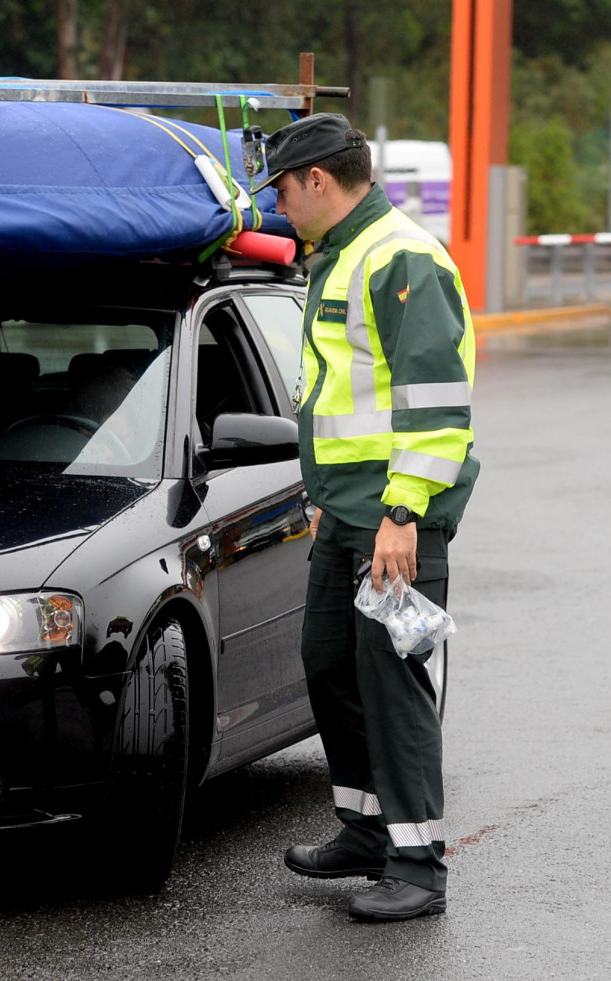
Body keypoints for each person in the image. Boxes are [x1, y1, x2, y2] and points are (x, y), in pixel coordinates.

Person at [253, 113, 479, 922]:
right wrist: (324, 498)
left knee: (393, 682)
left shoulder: (401, 257)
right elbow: (338, 396)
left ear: (318, 178)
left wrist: (401, 512)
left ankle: (417, 866)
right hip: (345, 508)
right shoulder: (341, 256)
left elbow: (435, 404)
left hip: (394, 512)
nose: (277, 202)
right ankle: (366, 825)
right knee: (327, 661)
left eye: (282, 185)